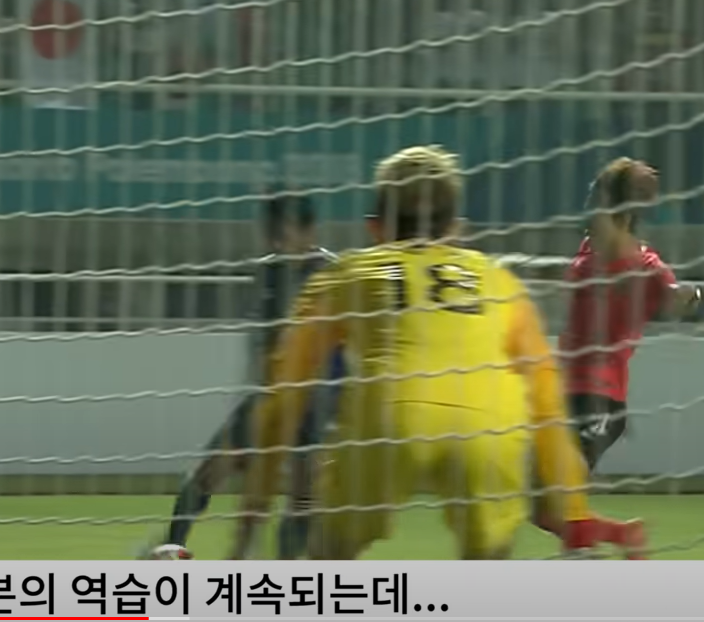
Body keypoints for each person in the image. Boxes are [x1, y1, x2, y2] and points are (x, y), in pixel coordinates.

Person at [232, 145, 613, 560]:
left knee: (329, 554)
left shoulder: (346, 274)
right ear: (457, 228)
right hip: (485, 422)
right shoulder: (500, 282)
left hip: (387, 416)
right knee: (490, 559)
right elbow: (546, 401)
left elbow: (285, 392)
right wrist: (573, 511)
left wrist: (254, 507)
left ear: (375, 228)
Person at [146, 188, 344, 559]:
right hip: (268, 397)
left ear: (309, 230)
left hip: (314, 404)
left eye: (284, 233)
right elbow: (263, 341)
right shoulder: (269, 272)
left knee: (303, 498)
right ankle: (173, 550)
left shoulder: (333, 274)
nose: (278, 242)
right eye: (273, 235)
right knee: (206, 473)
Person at [532, 158, 701, 557]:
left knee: (564, 490)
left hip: (600, 399)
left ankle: (584, 563)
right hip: (559, 392)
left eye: (600, 208)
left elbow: (677, 299)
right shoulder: (588, 249)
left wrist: (690, 296)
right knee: (537, 508)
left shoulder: (648, 268)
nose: (590, 216)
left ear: (623, 215)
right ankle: (624, 536)